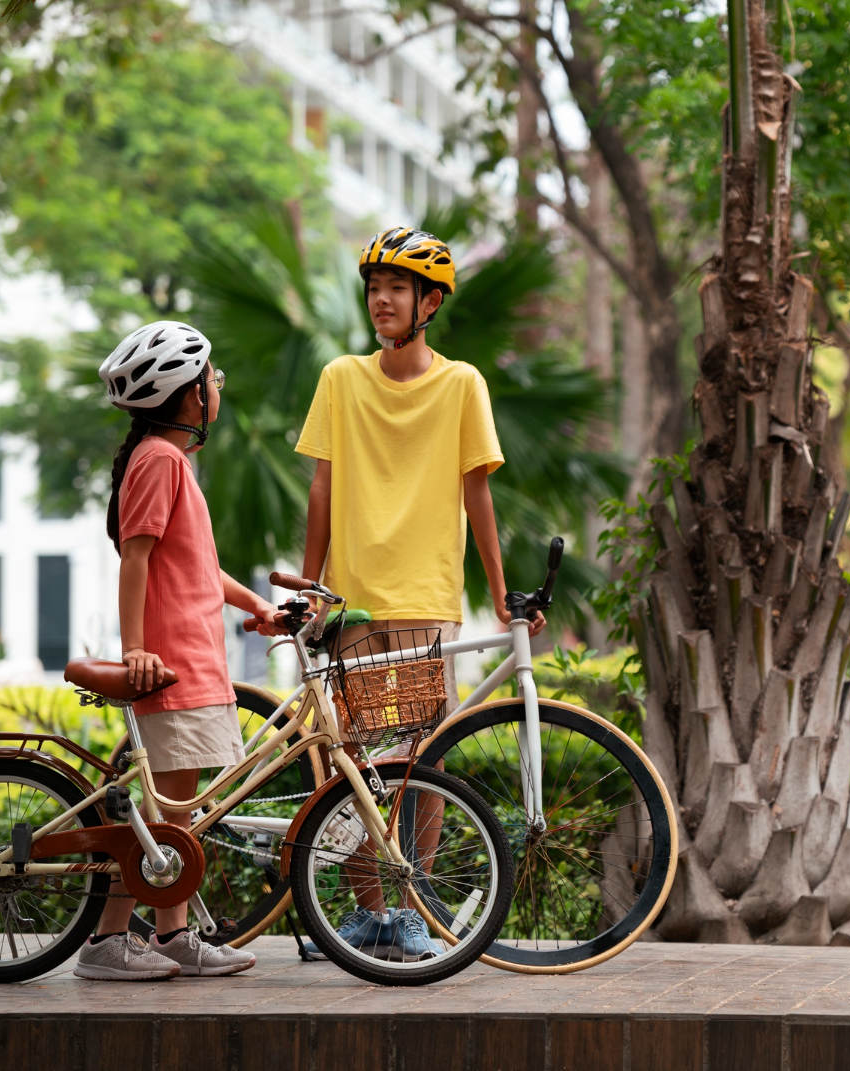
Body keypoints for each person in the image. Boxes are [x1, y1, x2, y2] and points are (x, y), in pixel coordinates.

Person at [292, 227, 546, 962]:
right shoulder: (341, 377)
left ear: (429, 301)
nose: (381, 299)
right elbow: (323, 486)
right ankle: (365, 914)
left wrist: (501, 595)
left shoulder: (463, 383)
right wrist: (313, 588)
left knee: (425, 762)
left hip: (429, 594)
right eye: (374, 288)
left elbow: (477, 493)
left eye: (397, 288)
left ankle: (411, 905)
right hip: (352, 599)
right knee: (355, 761)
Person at [73, 320, 284, 981]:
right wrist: (135, 651)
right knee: (166, 815)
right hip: (169, 666)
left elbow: (196, 569)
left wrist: (258, 607)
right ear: (191, 396)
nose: (217, 384)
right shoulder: (161, 461)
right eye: (211, 376)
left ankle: (171, 935)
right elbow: (134, 560)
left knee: (175, 815)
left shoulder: (170, 461)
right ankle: (107, 944)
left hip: (191, 662)